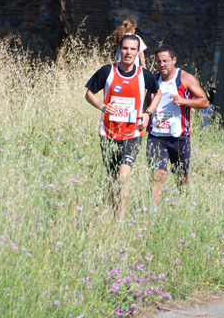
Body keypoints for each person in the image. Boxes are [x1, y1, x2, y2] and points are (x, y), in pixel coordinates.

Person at [85, 34, 162, 221]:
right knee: (113, 179)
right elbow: (88, 93)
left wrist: (148, 113)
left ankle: (120, 221)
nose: (128, 52)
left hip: (132, 133)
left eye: (132, 49)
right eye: (125, 48)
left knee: (123, 175)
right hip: (108, 133)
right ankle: (115, 215)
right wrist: (102, 106)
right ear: (120, 50)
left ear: (138, 52)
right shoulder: (107, 71)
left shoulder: (143, 75)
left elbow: (157, 93)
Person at [145, 46, 209, 206]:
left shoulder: (185, 78)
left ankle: (184, 205)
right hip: (156, 136)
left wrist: (184, 101)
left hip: (179, 137)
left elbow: (204, 101)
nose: (162, 65)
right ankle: (153, 212)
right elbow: (147, 101)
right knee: (157, 175)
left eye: (165, 61)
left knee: (182, 177)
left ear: (173, 60)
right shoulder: (154, 78)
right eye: (159, 61)